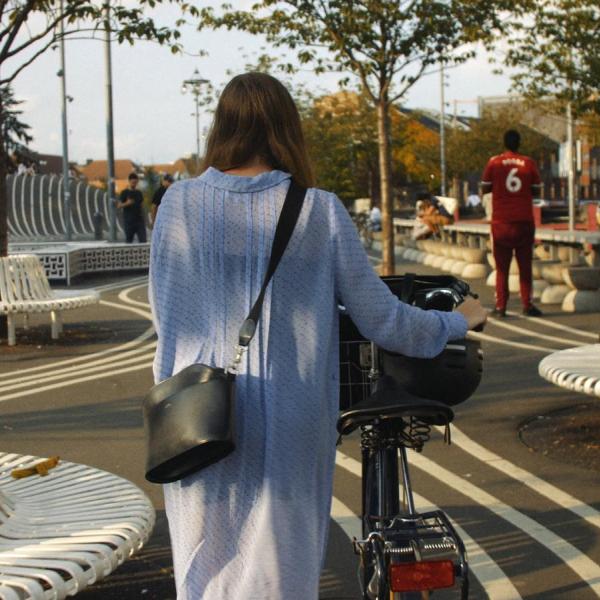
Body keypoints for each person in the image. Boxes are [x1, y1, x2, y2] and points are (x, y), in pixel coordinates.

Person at [149, 72, 487, 600]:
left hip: (195, 416)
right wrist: (457, 321)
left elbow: (165, 314)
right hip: (291, 422)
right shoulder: (318, 209)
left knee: (205, 566)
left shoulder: (178, 205)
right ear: (288, 128)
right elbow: (382, 319)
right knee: (280, 571)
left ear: (222, 126)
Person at [481, 129, 543, 317]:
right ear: (519, 143)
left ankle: (501, 306)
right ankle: (527, 304)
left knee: (502, 268)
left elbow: (485, 188)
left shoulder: (494, 162)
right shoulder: (528, 163)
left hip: (501, 222)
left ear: (504, 143)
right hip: (524, 221)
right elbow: (537, 190)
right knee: (525, 266)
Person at [116, 172, 147, 243]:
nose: (134, 184)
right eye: (133, 182)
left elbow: (142, 206)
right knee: (129, 241)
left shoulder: (139, 193)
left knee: (143, 240)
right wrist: (127, 203)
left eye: (135, 183)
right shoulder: (124, 192)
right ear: (129, 181)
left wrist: (144, 218)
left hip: (139, 221)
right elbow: (118, 205)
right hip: (129, 221)